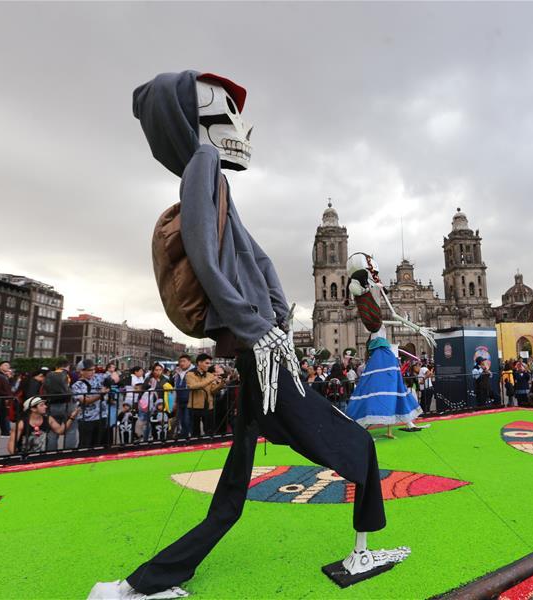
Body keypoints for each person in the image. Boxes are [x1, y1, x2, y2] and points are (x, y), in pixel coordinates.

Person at [92, 71, 406, 600]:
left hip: (261, 343)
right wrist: (258, 324)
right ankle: (362, 551)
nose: (239, 125)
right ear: (192, 120)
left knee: (233, 491)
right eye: (223, 111)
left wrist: (276, 310)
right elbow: (205, 253)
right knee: (356, 447)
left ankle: (135, 588)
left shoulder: (212, 174)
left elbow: (252, 252)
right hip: (261, 350)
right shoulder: (204, 166)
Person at [344, 253, 429, 438]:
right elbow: (355, 289)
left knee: (393, 385)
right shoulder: (372, 320)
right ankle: (362, 425)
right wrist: (364, 285)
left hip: (385, 353)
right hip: (381, 354)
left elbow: (395, 318)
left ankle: (408, 421)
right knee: (378, 386)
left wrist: (417, 328)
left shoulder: (377, 320)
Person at [8, 397, 80, 455]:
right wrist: (17, 459)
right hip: (25, 456)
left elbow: (60, 431)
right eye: (42, 405)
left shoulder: (48, 419)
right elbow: (12, 444)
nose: (45, 406)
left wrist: (71, 417)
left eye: (44, 404)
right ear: (33, 409)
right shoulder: (22, 424)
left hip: (42, 456)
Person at [186, 354, 224, 437]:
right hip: (194, 406)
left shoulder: (209, 375)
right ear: (199, 363)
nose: (209, 365)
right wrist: (210, 379)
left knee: (209, 431)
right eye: (207, 363)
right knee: (195, 432)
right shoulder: (190, 374)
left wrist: (222, 382)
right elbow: (193, 386)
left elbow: (213, 391)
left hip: (208, 406)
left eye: (209, 363)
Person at [45, 359, 78, 450]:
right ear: (68, 366)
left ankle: (50, 451)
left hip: (52, 404)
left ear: (57, 366)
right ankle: (68, 451)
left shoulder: (49, 374)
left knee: (52, 430)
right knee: (70, 429)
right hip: (67, 404)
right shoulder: (69, 374)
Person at [73, 360, 106, 448]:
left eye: (93, 370)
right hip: (86, 419)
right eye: (89, 370)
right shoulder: (77, 385)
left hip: (101, 416)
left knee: (98, 444)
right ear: (81, 371)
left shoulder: (97, 378)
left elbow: (115, 378)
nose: (93, 372)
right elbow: (85, 401)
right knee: (85, 444)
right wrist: (100, 395)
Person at [172, 355, 194, 438]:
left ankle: (189, 438)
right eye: (180, 361)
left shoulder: (194, 371)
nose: (181, 363)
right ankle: (183, 438)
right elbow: (175, 387)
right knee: (180, 421)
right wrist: (174, 401)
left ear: (189, 361)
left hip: (190, 400)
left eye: (184, 361)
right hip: (179, 401)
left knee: (187, 420)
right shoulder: (178, 373)